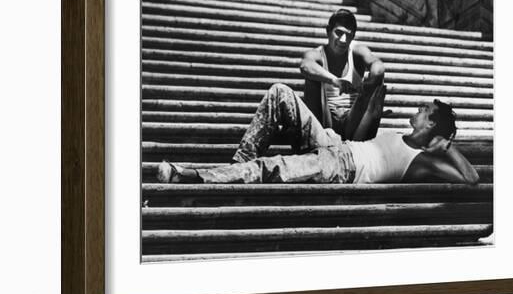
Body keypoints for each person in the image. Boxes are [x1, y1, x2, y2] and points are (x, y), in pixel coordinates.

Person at [157, 83, 479, 185]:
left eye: (425, 109)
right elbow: (361, 137)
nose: (419, 108)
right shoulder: (398, 135)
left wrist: (447, 146)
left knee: (273, 166)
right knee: (280, 93)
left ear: (433, 125)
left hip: (342, 169)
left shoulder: (421, 162)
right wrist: (369, 100)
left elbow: (471, 178)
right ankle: (235, 167)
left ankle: (196, 177)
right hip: (336, 144)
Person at [300, 9, 385, 140]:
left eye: (348, 35)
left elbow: (378, 67)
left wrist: (369, 82)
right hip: (324, 121)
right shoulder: (317, 53)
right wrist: (335, 81)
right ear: (328, 31)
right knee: (311, 79)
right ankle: (312, 142)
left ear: (353, 36)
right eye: (338, 33)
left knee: (377, 81)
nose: (343, 40)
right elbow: (305, 66)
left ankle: (363, 144)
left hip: (353, 122)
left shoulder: (357, 51)